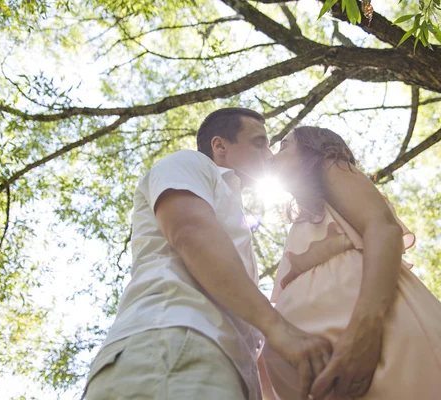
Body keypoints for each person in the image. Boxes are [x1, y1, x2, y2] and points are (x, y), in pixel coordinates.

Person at [82, 109, 332, 400]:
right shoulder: (187, 163)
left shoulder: (230, 207)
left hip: (218, 364)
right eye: (259, 142)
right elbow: (191, 233)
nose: (269, 153)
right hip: (174, 343)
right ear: (220, 146)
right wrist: (280, 329)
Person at [260, 126, 441, 400]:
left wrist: (363, 333)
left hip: (378, 342)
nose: (271, 157)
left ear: (312, 152)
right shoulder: (304, 221)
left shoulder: (331, 167)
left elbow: (383, 229)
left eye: (284, 146)